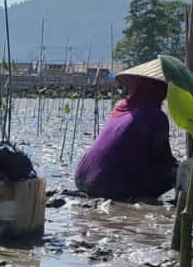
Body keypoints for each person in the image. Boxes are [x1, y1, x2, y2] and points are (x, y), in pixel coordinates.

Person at [73, 59, 178, 201]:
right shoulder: (156, 116)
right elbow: (164, 158)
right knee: (174, 173)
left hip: (81, 178)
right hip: (107, 185)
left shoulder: (120, 106)